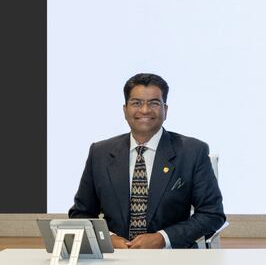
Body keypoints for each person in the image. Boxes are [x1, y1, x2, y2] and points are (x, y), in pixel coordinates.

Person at [69, 73, 225, 249]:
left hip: (173, 260)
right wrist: (106, 239)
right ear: (125, 110)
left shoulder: (192, 151)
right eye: (136, 103)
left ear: (165, 110)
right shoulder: (100, 153)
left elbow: (212, 214)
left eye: (154, 103)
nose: (144, 110)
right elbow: (80, 214)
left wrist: (162, 238)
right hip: (116, 261)